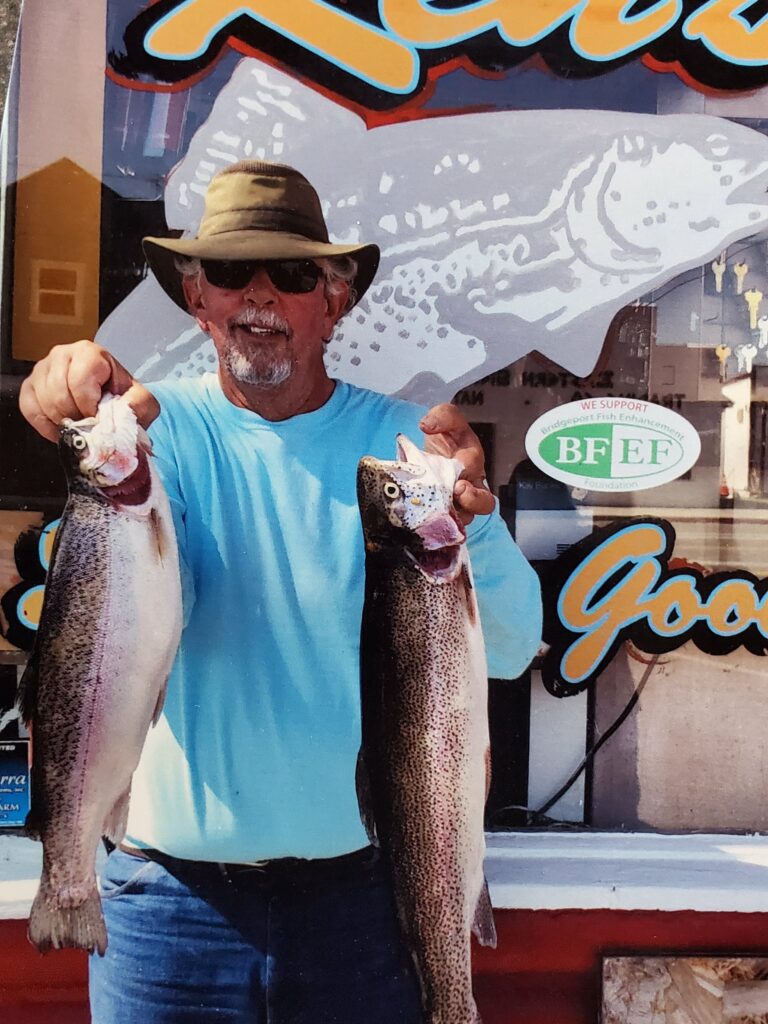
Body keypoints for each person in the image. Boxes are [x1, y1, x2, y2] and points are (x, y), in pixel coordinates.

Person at [19, 160, 542, 1024]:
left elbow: (517, 643)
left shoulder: (404, 446)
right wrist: (70, 389)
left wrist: (473, 522)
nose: (258, 297)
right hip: (164, 906)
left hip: (366, 902)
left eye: (293, 275)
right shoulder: (150, 433)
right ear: (197, 297)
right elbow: (103, 579)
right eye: (230, 272)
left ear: (334, 301)